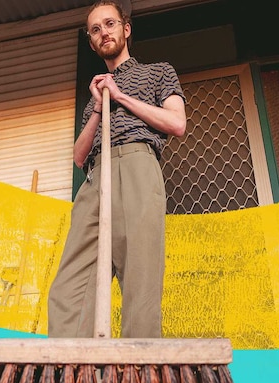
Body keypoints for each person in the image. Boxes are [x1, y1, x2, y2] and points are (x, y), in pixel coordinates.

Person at [47, 0, 186, 338]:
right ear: (92, 41)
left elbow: (176, 123)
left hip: (138, 164)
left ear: (125, 29)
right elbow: (79, 157)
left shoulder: (158, 72)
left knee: (140, 277)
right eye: (95, 29)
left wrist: (120, 97)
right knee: (68, 288)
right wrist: (97, 106)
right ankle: (72, 379)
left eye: (109, 24)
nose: (103, 32)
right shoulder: (96, 89)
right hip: (96, 174)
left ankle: (136, 381)